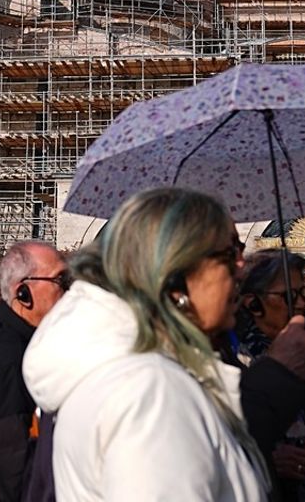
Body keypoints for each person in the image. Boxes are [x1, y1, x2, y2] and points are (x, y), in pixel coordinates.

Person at [22, 187, 269, 501]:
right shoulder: (152, 392)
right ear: (176, 271)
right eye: (229, 252)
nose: (242, 266)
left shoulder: (131, 373)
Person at [227, 250, 305, 501]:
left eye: (303, 292)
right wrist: (269, 456)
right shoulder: (231, 357)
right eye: (288, 295)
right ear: (252, 302)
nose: (300, 303)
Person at [0, 241, 69, 502]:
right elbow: (18, 469)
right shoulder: (10, 360)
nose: (67, 290)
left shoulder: (20, 347)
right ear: (23, 292)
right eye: (60, 279)